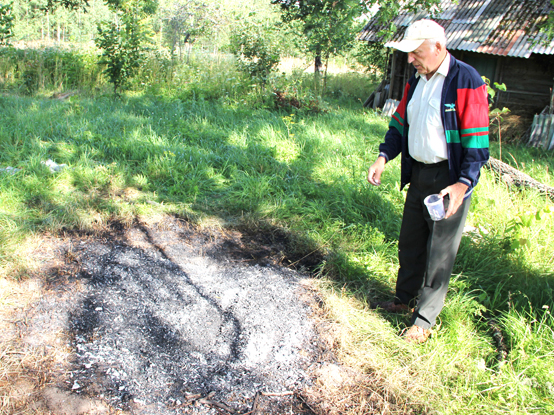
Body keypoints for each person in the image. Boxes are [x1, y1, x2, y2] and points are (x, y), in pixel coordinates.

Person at [366, 19, 490, 343]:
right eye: (408, 54)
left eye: (416, 52)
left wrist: (463, 184)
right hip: (419, 174)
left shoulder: (465, 80)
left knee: (439, 253)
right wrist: (384, 156)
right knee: (410, 243)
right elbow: (399, 124)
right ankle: (404, 300)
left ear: (438, 46)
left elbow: (477, 142)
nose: (410, 59)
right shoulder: (416, 80)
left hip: (448, 181)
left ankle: (423, 320)